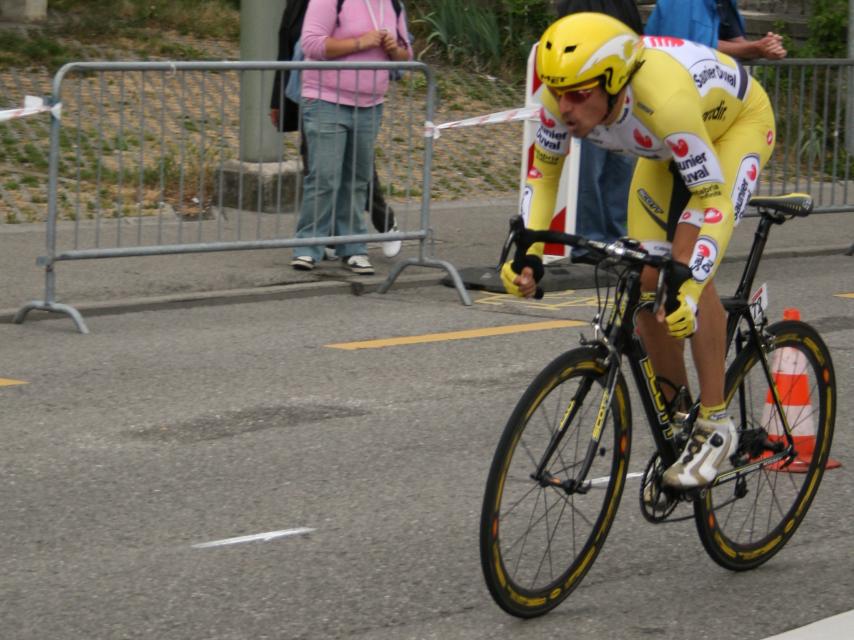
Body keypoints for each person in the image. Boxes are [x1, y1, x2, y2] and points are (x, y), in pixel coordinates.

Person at [502, 12, 776, 488]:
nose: (563, 106)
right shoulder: (558, 95)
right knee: (645, 281)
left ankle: (715, 426)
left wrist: (690, 285)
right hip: (664, 150)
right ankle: (680, 418)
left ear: (613, 82)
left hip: (734, 130)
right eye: (557, 91)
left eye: (578, 94)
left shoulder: (662, 98)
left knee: (683, 273)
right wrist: (526, 254)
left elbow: (712, 200)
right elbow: (542, 176)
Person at [270, 0, 405, 266]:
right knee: (324, 176)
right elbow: (309, 43)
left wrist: (395, 50)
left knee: (357, 179)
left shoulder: (393, 4)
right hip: (326, 99)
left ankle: (353, 248)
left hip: (370, 104)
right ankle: (308, 246)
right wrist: (360, 43)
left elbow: (406, 53)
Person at [554, 1, 645, 255]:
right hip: (589, 88)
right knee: (591, 172)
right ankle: (589, 242)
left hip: (620, 90)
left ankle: (616, 239)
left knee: (620, 170)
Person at [645, 0, 787, 61]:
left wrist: (767, 47)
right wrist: (756, 47)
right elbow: (691, 46)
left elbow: (738, 43)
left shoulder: (725, 2)